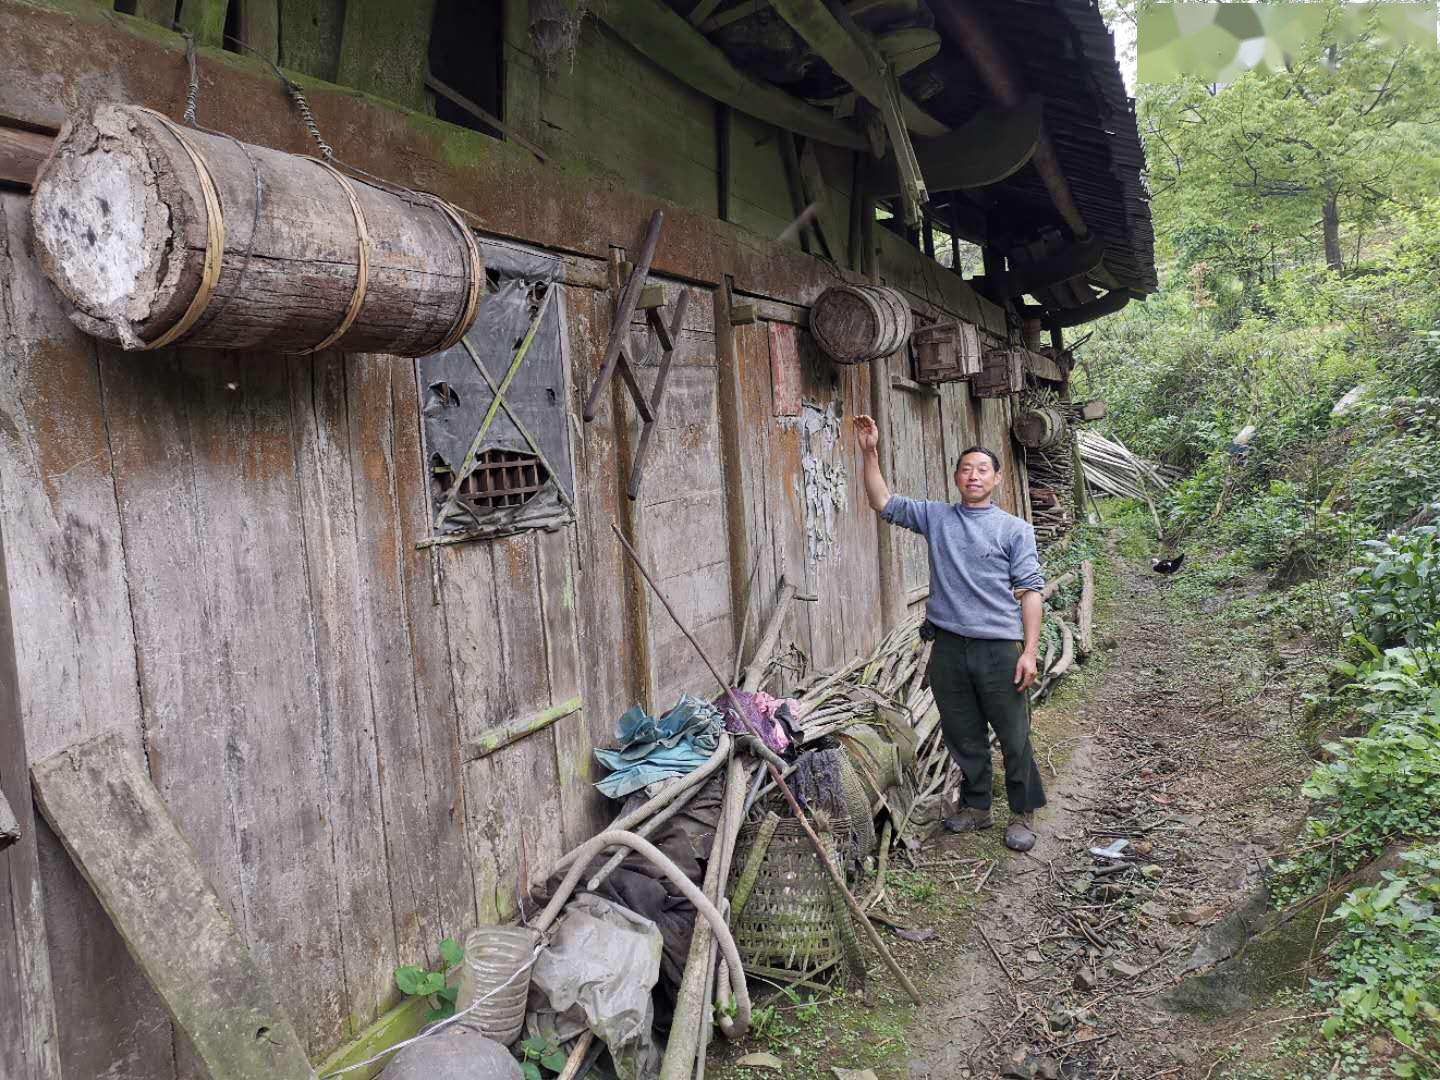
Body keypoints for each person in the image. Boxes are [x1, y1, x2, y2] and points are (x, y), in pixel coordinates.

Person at [853, 414, 1046, 852]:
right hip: (948, 647)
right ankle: (977, 806)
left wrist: (1029, 652)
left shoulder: (1014, 529)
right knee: (963, 732)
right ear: (956, 477)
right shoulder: (937, 517)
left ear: (996, 478)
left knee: (1014, 735)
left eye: (982, 469)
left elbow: (1030, 593)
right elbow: (882, 502)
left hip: (999, 647)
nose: (973, 475)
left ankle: (1023, 812)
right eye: (965, 469)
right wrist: (869, 453)